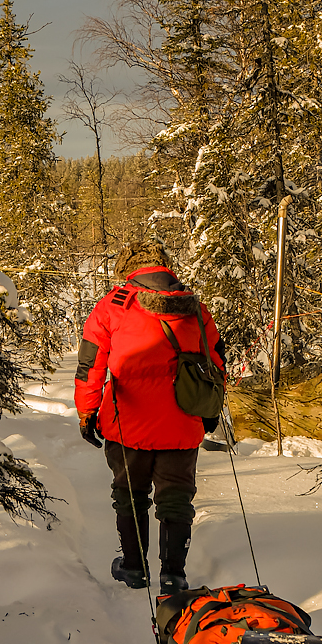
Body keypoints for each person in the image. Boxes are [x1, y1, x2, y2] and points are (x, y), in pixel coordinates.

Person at [74, 241, 225, 595]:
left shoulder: (112, 307)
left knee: (130, 495)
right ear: (165, 266)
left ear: (128, 269)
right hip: (182, 421)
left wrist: (87, 411)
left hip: (127, 422)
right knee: (176, 499)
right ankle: (174, 574)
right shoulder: (195, 308)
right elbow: (216, 364)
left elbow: (90, 366)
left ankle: (134, 568)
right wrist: (210, 411)